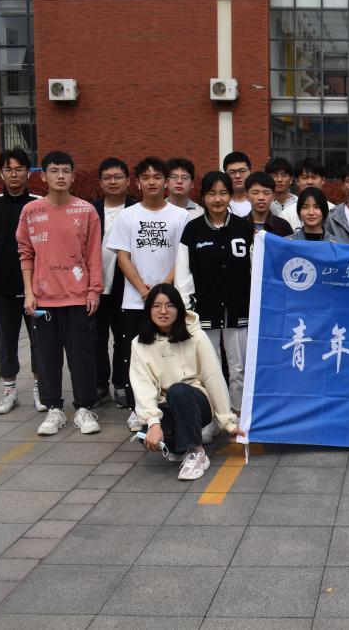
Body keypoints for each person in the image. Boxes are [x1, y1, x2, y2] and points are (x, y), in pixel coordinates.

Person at [16, 151, 103, 436]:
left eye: (66, 170)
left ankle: (84, 408)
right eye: (54, 170)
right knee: (47, 356)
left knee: (82, 356)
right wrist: (29, 292)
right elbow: (25, 253)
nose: (60, 176)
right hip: (43, 298)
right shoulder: (31, 211)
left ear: (74, 176)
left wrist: (94, 291)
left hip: (78, 296)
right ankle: (54, 408)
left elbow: (93, 255)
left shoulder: (86, 211)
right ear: (43, 176)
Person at [105, 156, 190, 431]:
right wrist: (143, 289)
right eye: (146, 177)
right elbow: (123, 257)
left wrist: (162, 291)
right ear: (137, 182)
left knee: (170, 354)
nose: (152, 182)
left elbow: (182, 257)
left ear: (166, 181)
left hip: (171, 300)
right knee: (137, 357)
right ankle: (137, 409)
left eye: (157, 177)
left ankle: (167, 406)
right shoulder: (127, 216)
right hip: (134, 300)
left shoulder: (181, 216)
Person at [130, 284, 241, 481]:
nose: (163, 311)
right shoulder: (139, 344)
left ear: (179, 309)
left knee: (178, 391)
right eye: (157, 306)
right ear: (148, 310)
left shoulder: (196, 336)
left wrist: (227, 422)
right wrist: (153, 423)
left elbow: (213, 377)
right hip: (167, 404)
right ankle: (180, 448)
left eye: (170, 305)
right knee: (146, 434)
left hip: (197, 401)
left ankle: (197, 453)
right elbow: (142, 386)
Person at [175, 170, 255, 419]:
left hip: (239, 309)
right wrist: (188, 309)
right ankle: (213, 416)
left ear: (231, 195)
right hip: (204, 310)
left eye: (223, 193)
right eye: (212, 193)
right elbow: (182, 274)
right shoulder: (193, 230)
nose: (218, 199)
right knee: (209, 367)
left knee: (239, 367)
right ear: (203, 196)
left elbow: (256, 269)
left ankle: (238, 414)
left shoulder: (245, 228)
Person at [0, 148, 42, 414]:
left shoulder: (39, 203)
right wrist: (3, 264)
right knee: (6, 340)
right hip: (3, 287)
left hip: (38, 288)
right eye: (9, 169)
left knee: (40, 340)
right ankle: (9, 390)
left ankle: (41, 388)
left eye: (19, 169)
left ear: (28, 172)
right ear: (1, 173)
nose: (14, 174)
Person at [93, 157, 137, 408]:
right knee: (96, 338)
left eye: (118, 177)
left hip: (126, 287)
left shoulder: (136, 210)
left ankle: (121, 384)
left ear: (128, 180)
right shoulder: (90, 210)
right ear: (100, 182)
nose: (113, 181)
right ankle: (100, 385)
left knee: (124, 338)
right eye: (107, 177)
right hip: (96, 287)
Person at [281, 157, 335, 229]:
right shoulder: (286, 215)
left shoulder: (334, 212)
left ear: (323, 180)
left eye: (314, 177)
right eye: (305, 178)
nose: (310, 182)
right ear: (297, 181)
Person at [244, 171, 294, 236]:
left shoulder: (283, 226)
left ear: (273, 197)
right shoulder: (239, 225)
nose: (261, 197)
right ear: (247, 196)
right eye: (255, 193)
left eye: (266, 193)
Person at [222, 151, 253, 217]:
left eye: (242, 171)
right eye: (232, 172)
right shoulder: (220, 202)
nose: (237, 176)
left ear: (250, 171)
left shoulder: (261, 200)